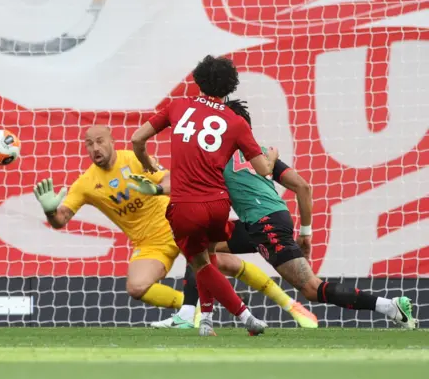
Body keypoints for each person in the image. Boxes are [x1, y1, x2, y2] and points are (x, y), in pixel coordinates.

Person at [131, 99, 417, 329]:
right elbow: (302, 187)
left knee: (311, 289)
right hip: (270, 219)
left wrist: (155, 188)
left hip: (264, 225)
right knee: (200, 247)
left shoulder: (215, 154)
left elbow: (183, 182)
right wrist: (306, 232)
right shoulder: (262, 153)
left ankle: (389, 305)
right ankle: (190, 314)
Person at [33, 126, 303, 329]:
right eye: (89, 144)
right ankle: (189, 312)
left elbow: (174, 181)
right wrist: (49, 209)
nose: (95, 148)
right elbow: (60, 220)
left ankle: (289, 304)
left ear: (112, 142)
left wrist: (157, 188)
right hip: (149, 243)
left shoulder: (135, 159)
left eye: (100, 141)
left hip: (176, 224)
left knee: (227, 264)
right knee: (136, 287)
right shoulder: (85, 183)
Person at [130, 55, 277, 336]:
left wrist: (148, 164)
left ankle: (246, 317)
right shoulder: (235, 122)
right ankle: (205, 321)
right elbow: (264, 170)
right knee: (207, 254)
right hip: (218, 205)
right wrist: (272, 157)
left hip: (186, 205)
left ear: (198, 79)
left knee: (202, 264)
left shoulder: (179, 106)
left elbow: (137, 139)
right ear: (229, 87)